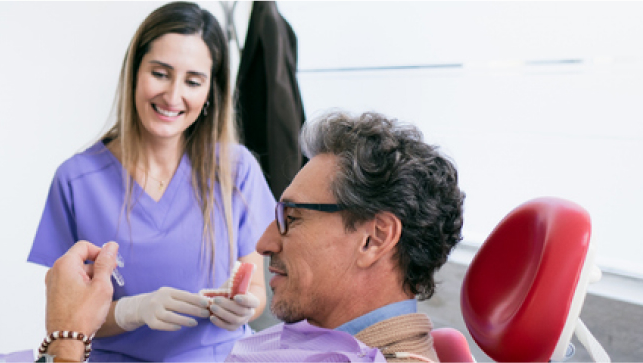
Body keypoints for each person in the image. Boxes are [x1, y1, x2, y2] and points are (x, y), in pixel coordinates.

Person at [39, 111, 466, 363]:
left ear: (374, 239)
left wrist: (68, 337)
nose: (263, 243)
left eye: (292, 218)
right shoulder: (317, 340)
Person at [27, 2, 277, 361]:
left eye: (193, 81)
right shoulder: (77, 181)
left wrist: (243, 306)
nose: (174, 96)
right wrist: (132, 312)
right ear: (134, 72)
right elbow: (67, 316)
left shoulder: (236, 170)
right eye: (160, 73)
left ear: (210, 92)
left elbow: (255, 287)